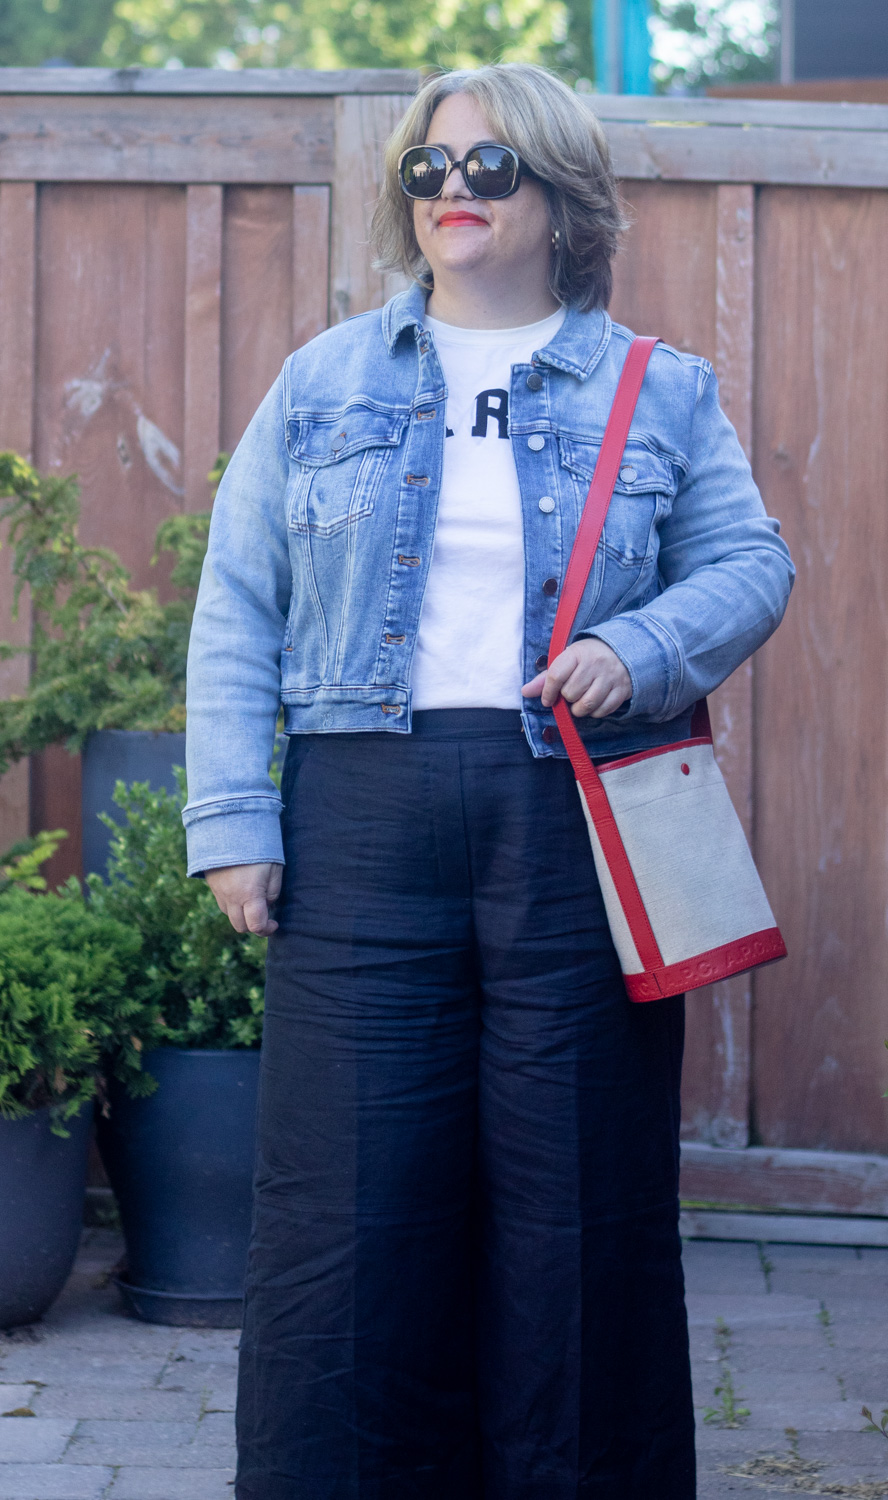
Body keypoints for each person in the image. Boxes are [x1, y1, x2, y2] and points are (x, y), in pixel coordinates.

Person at [183, 62, 794, 1500]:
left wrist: (635, 650)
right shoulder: (321, 380)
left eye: (490, 167)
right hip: (361, 815)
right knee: (347, 1207)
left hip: (570, 818)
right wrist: (232, 817)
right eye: (429, 170)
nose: (453, 191)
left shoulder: (662, 390)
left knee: (575, 1204)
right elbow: (238, 606)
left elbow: (751, 564)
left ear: (561, 193)